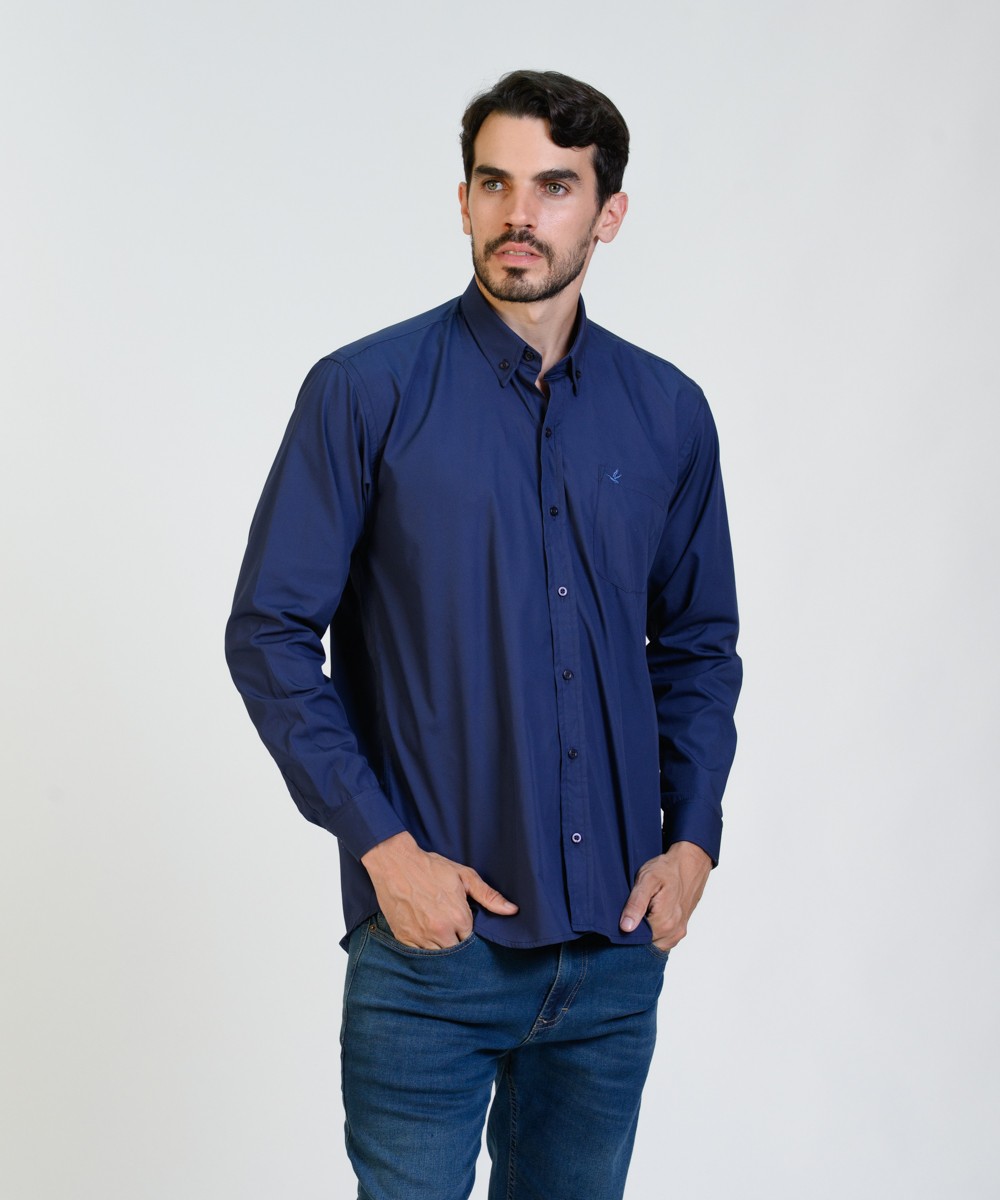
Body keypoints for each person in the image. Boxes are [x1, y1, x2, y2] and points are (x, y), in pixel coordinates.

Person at [226, 69, 741, 1200]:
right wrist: (384, 850)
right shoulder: (363, 392)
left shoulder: (667, 413)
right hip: (432, 950)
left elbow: (698, 645)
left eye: (554, 187)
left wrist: (692, 841)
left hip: (612, 954)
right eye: (494, 183)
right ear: (461, 200)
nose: (519, 214)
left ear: (607, 212)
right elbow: (268, 632)